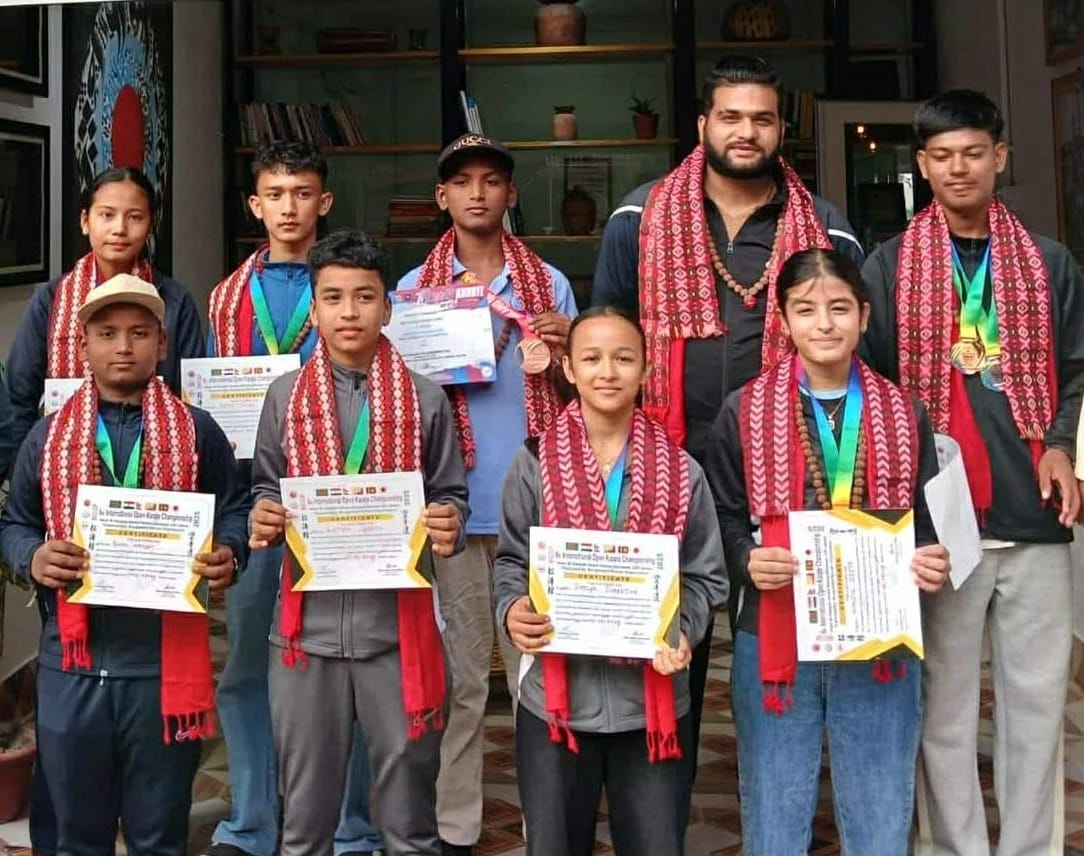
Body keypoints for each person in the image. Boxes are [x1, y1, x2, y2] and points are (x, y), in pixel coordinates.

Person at [590, 55, 864, 814]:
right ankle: (659, 819)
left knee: (803, 649)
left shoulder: (828, 227)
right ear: (704, 124)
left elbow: (845, 342)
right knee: (666, 648)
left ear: (784, 130)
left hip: (795, 471)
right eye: (732, 117)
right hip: (664, 465)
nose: (748, 132)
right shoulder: (638, 217)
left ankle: (793, 816)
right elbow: (611, 334)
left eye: (764, 119)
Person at [860, 89, 1084, 856]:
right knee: (944, 713)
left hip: (1035, 516)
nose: (960, 168)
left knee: (1036, 708)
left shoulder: (1050, 262)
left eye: (974, 153)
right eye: (942, 157)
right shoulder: (886, 267)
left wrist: (1060, 441)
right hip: (938, 528)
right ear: (922, 166)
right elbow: (875, 389)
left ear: (1000, 158)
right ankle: (955, 850)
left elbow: (1076, 370)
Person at [705, 248, 949, 853]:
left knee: (880, 801)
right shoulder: (743, 410)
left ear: (864, 316)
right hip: (776, 629)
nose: (824, 324)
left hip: (879, 632)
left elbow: (923, 517)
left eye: (839, 308)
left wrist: (930, 557)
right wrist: (745, 560)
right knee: (775, 802)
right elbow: (724, 516)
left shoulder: (903, 410)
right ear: (783, 320)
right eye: (805, 309)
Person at [0, 274, 248, 855]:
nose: (124, 346)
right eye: (107, 333)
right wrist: (33, 555)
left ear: (162, 344)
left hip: (160, 668)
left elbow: (232, 506)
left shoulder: (196, 431)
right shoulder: (49, 435)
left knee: (157, 833)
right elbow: (14, 521)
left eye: (139, 333)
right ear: (83, 344)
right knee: (73, 834)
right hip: (72, 665)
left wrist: (229, 550)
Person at [248, 229, 469, 856]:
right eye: (334, 298)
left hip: (394, 638)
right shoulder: (284, 398)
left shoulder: (425, 400)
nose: (350, 312)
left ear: (387, 307)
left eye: (365, 297)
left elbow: (451, 492)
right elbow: (266, 488)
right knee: (304, 823)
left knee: (409, 822)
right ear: (313, 310)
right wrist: (264, 517)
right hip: (303, 640)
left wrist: (448, 519)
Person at [397, 133, 577, 856]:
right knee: (464, 681)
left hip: (537, 512)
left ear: (510, 195)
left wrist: (563, 356)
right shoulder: (412, 289)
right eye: (462, 182)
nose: (477, 193)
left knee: (542, 675)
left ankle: (549, 826)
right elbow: (400, 402)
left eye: (492, 181)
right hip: (455, 512)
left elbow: (582, 391)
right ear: (442, 197)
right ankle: (454, 826)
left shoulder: (551, 286)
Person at [203, 141, 384, 856]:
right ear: (255, 204)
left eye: (302, 193)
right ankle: (251, 823)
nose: (288, 206)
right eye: (274, 193)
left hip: (349, 511)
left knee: (354, 671)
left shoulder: (349, 289)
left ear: (324, 202)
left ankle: (353, 827)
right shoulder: (223, 297)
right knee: (248, 667)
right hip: (258, 506)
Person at [493, 306, 727, 856]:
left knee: (655, 844)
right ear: (569, 370)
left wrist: (682, 630)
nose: (608, 372)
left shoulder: (681, 469)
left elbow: (705, 575)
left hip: (652, 704)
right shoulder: (533, 462)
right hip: (555, 701)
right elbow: (510, 561)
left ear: (646, 370)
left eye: (624, 358)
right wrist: (512, 611)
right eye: (592, 358)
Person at [3, 166, 203, 468]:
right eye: (106, 215)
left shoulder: (173, 301)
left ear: (150, 226)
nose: (119, 229)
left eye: (134, 217)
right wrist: (24, 472)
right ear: (85, 221)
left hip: (157, 460)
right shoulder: (52, 299)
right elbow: (20, 397)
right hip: (60, 461)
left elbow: (190, 394)